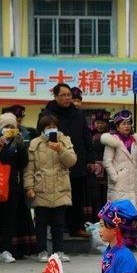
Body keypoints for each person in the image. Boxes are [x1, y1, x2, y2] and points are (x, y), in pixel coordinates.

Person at [0, 112, 37, 263]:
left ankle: (6, 250)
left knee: (9, 219)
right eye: (6, 126)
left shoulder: (19, 142)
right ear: (1, 127)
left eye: (12, 126)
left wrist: (21, 146)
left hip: (13, 185)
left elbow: (23, 163)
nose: (9, 129)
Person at [25, 113, 77, 262]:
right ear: (42, 129)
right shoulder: (35, 143)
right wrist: (29, 187)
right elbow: (29, 169)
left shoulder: (64, 140)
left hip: (61, 186)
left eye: (54, 127)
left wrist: (60, 150)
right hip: (42, 187)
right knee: (41, 222)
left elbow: (72, 161)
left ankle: (58, 251)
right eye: (48, 127)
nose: (51, 130)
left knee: (59, 222)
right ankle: (41, 251)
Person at [43, 82, 93, 237]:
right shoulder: (48, 114)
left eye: (69, 95)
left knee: (77, 196)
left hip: (77, 160)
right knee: (58, 197)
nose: (67, 98)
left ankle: (76, 227)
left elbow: (86, 137)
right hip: (57, 161)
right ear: (55, 96)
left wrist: (90, 159)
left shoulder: (78, 113)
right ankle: (58, 228)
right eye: (63, 95)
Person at [101, 110, 137, 211]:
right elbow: (107, 161)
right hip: (119, 184)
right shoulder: (112, 141)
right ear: (117, 126)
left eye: (129, 123)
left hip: (134, 183)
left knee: (133, 213)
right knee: (119, 214)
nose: (127, 126)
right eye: (123, 124)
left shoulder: (135, 141)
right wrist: (115, 177)